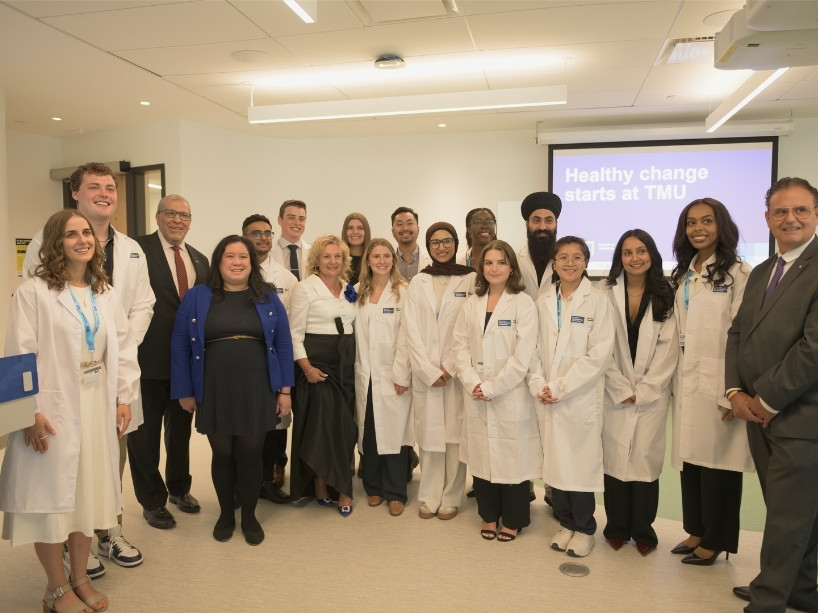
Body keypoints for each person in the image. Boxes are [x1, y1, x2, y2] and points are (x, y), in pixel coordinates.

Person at [0, 210, 140, 613]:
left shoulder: (104, 290)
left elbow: (124, 348)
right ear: (55, 243)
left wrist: (123, 396)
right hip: (52, 409)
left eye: (86, 233)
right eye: (71, 234)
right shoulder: (34, 292)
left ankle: (79, 578)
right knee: (52, 501)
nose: (82, 239)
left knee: (88, 498)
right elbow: (18, 353)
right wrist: (29, 412)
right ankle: (55, 588)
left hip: (97, 407)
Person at [23, 162, 154, 575]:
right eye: (93, 187)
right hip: (59, 389)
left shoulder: (126, 255)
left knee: (104, 469)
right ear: (74, 195)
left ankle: (107, 531)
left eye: (110, 187)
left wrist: (117, 345)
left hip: (104, 383)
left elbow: (141, 306)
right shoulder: (35, 282)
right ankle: (63, 558)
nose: (104, 193)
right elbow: (24, 345)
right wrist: (23, 410)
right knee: (62, 478)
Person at [726, 177, 818, 613]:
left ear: (816, 214)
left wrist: (764, 400)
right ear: (767, 219)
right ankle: (800, 588)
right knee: (796, 512)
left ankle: (768, 600)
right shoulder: (763, 269)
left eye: (800, 210)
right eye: (781, 212)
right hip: (759, 413)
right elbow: (739, 333)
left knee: (788, 516)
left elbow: (813, 349)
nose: (790, 219)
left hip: (800, 415)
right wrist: (735, 392)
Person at [170, 235, 294, 545]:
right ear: (219, 261)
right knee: (222, 452)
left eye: (243, 257)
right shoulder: (197, 296)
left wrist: (285, 390)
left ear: (252, 264)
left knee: (251, 453)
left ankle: (249, 516)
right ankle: (227, 513)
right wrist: (184, 390)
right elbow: (181, 343)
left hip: (257, 387)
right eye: (230, 256)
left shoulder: (266, 296)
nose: (237, 262)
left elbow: (283, 342)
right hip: (213, 386)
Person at [669, 197, 754, 566]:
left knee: (720, 463)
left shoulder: (738, 272)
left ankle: (717, 539)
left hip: (721, 380)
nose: (698, 228)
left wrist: (733, 390)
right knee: (693, 460)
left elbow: (743, 334)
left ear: (721, 225)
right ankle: (697, 530)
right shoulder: (685, 272)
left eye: (706, 221)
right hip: (688, 376)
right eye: (691, 222)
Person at [528, 236, 614, 557]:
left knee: (579, 465)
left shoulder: (597, 301)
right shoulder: (543, 301)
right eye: (563, 257)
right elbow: (532, 349)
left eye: (577, 257)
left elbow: (599, 354)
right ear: (554, 262)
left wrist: (561, 386)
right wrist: (539, 383)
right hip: (547, 396)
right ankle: (565, 523)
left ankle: (585, 529)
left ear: (586, 263)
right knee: (555, 464)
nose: (569, 263)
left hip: (579, 397)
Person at [128, 195, 209, 531]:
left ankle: (179, 488)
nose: (178, 220)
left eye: (184, 214)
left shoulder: (200, 260)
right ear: (158, 216)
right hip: (147, 360)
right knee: (144, 435)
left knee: (180, 432)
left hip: (187, 364)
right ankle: (152, 500)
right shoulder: (135, 250)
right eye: (171, 213)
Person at [452, 239, 541, 541]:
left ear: (511, 267)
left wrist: (492, 386)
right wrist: (472, 382)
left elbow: (523, 356)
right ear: (481, 267)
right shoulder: (471, 304)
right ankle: (488, 515)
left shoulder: (523, 303)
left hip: (510, 394)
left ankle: (514, 519)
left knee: (511, 457)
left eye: (501, 262)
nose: (494, 268)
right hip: (476, 392)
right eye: (488, 262)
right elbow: (459, 348)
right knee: (482, 455)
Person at [599, 229, 678, 556]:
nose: (635, 258)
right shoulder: (604, 292)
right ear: (619, 257)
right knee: (615, 461)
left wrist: (645, 389)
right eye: (628, 252)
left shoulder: (666, 293)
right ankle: (616, 527)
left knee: (645, 463)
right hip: (613, 390)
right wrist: (619, 385)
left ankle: (644, 530)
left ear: (652, 255)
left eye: (641, 251)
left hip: (650, 396)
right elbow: (600, 346)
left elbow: (668, 347)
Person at [403, 222, 476, 520]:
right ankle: (430, 494)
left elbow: (470, 330)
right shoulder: (418, 281)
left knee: (455, 436)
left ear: (456, 244)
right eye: (435, 242)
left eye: (447, 241)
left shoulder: (471, 279)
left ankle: (452, 495)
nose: (441, 246)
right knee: (430, 436)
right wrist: (426, 370)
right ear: (428, 246)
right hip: (427, 375)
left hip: (456, 373)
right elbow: (410, 328)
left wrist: (448, 367)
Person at [288, 235, 358, 516]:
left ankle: (326, 483)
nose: (333, 261)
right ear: (317, 259)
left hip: (346, 366)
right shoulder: (305, 289)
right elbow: (294, 334)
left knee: (345, 428)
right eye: (327, 256)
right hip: (318, 366)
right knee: (327, 427)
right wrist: (307, 368)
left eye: (338, 256)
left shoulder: (349, 289)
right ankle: (336, 487)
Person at [242, 213, 299, 504]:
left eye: (267, 233)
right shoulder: (235, 271)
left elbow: (291, 324)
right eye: (256, 234)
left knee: (277, 423)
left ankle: (270, 479)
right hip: (244, 361)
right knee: (247, 424)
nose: (263, 238)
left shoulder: (286, 278)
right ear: (244, 237)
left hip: (275, 359)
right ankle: (244, 481)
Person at [354, 238, 413, 517]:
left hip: (394, 376)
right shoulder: (356, 293)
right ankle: (373, 487)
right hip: (366, 374)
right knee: (370, 435)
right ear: (367, 261)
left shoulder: (404, 292)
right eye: (375, 256)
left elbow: (408, 337)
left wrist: (402, 373)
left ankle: (396, 492)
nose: (381, 260)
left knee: (396, 435)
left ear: (394, 260)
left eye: (386, 255)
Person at [517, 192, 561, 302]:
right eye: (536, 220)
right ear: (527, 224)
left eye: (549, 220)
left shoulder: (567, 261)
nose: (542, 227)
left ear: (556, 224)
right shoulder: (514, 260)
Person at [271, 199, 311, 281]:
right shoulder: (268, 252)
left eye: (301, 219)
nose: (297, 222)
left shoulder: (313, 253)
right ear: (280, 220)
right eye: (291, 218)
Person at [391, 206, 432, 281]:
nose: (405, 228)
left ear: (418, 229)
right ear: (393, 232)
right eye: (399, 224)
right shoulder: (388, 262)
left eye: (409, 223)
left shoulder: (432, 260)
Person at [341, 212, 372, 285]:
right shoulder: (338, 260)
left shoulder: (373, 260)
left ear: (366, 232)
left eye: (360, 228)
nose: (355, 232)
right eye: (350, 228)